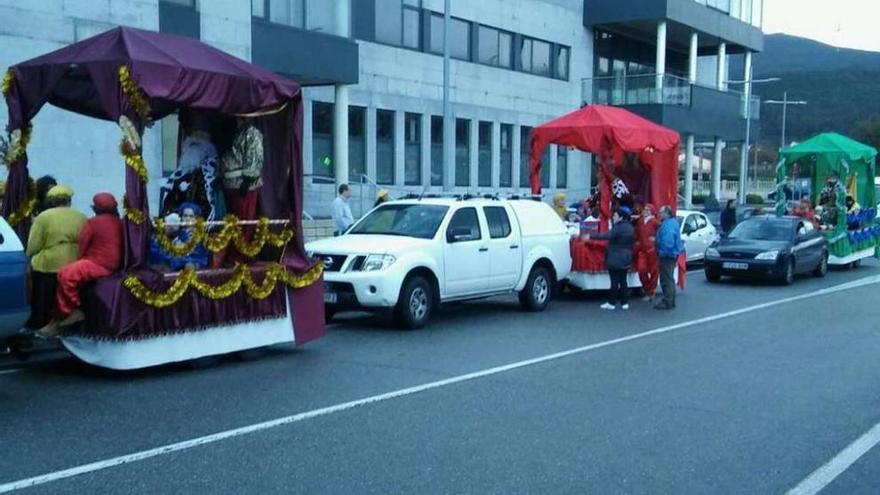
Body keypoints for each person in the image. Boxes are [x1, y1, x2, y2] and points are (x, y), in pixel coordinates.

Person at [40, 193, 123, 336]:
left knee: (65, 274)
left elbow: (82, 244)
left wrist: (79, 260)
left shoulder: (93, 223)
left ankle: (71, 311)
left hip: (99, 263)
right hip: (113, 264)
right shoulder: (120, 222)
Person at [25, 185, 87, 332]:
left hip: (49, 264)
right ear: (69, 201)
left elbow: (34, 244)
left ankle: (42, 324)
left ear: (51, 201)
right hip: (74, 262)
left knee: (44, 297)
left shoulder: (43, 217)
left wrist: (28, 255)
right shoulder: (81, 216)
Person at [162, 115, 223, 221]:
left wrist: (191, 211)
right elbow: (169, 201)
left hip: (199, 222)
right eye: (194, 134)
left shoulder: (211, 174)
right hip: (179, 221)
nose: (196, 138)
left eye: (201, 135)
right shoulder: (180, 173)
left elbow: (210, 204)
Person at [584, 206, 635, 310]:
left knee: (614, 281)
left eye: (615, 215)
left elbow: (607, 236)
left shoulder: (618, 227)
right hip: (626, 256)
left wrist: (591, 236)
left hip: (615, 257)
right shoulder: (630, 227)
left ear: (620, 217)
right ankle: (624, 303)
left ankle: (611, 303)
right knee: (623, 281)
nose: (613, 217)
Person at [149, 204, 210, 271]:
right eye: (185, 216)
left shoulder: (200, 234)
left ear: (196, 219)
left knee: (188, 265)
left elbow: (199, 253)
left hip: (194, 259)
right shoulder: (177, 231)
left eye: (191, 216)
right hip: (177, 257)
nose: (187, 219)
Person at [654, 205, 683, 310]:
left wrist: (661, 252)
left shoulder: (667, 226)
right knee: (669, 278)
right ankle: (670, 300)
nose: (659, 214)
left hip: (667, 255)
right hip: (671, 254)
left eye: (661, 212)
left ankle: (668, 301)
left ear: (667, 213)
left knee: (666, 279)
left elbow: (668, 242)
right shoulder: (672, 223)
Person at [635, 203, 660, 302]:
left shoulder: (655, 222)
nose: (645, 211)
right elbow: (637, 233)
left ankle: (651, 291)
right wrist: (637, 241)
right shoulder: (640, 221)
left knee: (654, 272)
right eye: (644, 209)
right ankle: (647, 289)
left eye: (648, 210)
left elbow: (662, 233)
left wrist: (656, 239)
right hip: (642, 250)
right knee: (641, 270)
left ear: (652, 212)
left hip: (652, 250)